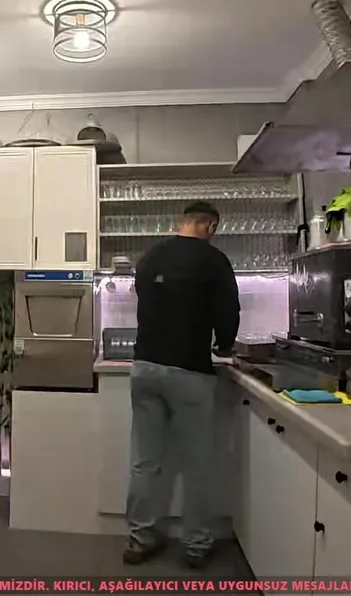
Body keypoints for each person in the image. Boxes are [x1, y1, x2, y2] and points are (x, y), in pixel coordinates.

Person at [123, 201, 240, 569]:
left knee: (145, 462)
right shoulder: (213, 260)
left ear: (181, 223)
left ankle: (140, 538)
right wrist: (223, 345)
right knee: (196, 465)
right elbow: (228, 313)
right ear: (210, 226)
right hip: (189, 371)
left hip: (144, 367)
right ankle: (195, 544)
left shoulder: (150, 257)